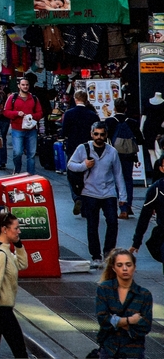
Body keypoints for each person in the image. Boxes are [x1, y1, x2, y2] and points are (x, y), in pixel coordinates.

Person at [70, 121, 130, 266]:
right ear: (91, 134)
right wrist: (84, 165)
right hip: (89, 192)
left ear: (106, 135)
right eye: (96, 134)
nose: (99, 137)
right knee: (92, 224)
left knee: (112, 223)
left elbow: (118, 174)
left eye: (102, 134)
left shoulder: (112, 151)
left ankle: (109, 253)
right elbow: (70, 165)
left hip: (108, 192)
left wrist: (123, 197)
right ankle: (96, 255)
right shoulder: (82, 148)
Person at [0, 211, 30, 358]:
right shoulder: (0, 256)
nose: (19, 231)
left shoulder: (2, 250)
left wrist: (18, 244)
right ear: (4, 229)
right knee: (20, 353)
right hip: (0, 313)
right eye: (16, 228)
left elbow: (22, 264)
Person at [95, 249, 153, 359]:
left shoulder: (144, 294)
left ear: (134, 267)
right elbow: (102, 319)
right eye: (120, 265)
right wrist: (129, 321)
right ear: (113, 268)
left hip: (134, 352)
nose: (125, 269)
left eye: (128, 265)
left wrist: (115, 321)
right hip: (109, 350)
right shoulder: (104, 289)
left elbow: (145, 327)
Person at [62, 89, 102, 215]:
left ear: (75, 99)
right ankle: (86, 203)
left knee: (72, 173)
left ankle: (77, 197)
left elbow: (64, 132)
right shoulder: (93, 115)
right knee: (88, 175)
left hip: (73, 147)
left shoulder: (69, 114)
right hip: (88, 148)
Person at [111, 98, 145, 218]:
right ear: (125, 109)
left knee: (117, 180)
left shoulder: (110, 121)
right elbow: (141, 140)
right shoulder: (132, 122)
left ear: (114, 108)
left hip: (114, 154)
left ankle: (122, 207)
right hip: (129, 155)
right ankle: (128, 205)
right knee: (128, 179)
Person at [3, 76, 43, 176]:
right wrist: (16, 113)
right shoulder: (13, 98)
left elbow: (40, 113)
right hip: (17, 129)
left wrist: (32, 116)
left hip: (31, 130)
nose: (25, 87)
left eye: (26, 85)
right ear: (19, 86)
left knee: (31, 154)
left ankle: (30, 174)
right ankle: (17, 170)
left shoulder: (34, 98)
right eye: (23, 85)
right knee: (17, 152)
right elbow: (6, 112)